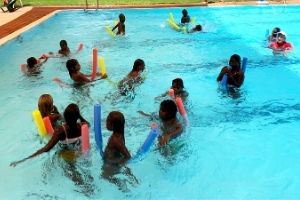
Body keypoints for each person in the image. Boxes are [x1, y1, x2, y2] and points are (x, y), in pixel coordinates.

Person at [10, 103, 89, 167]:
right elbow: (87, 125)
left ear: (64, 116)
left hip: (66, 153)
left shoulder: (60, 131)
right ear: (78, 116)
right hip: (80, 152)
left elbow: (46, 148)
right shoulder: (84, 125)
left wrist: (23, 160)